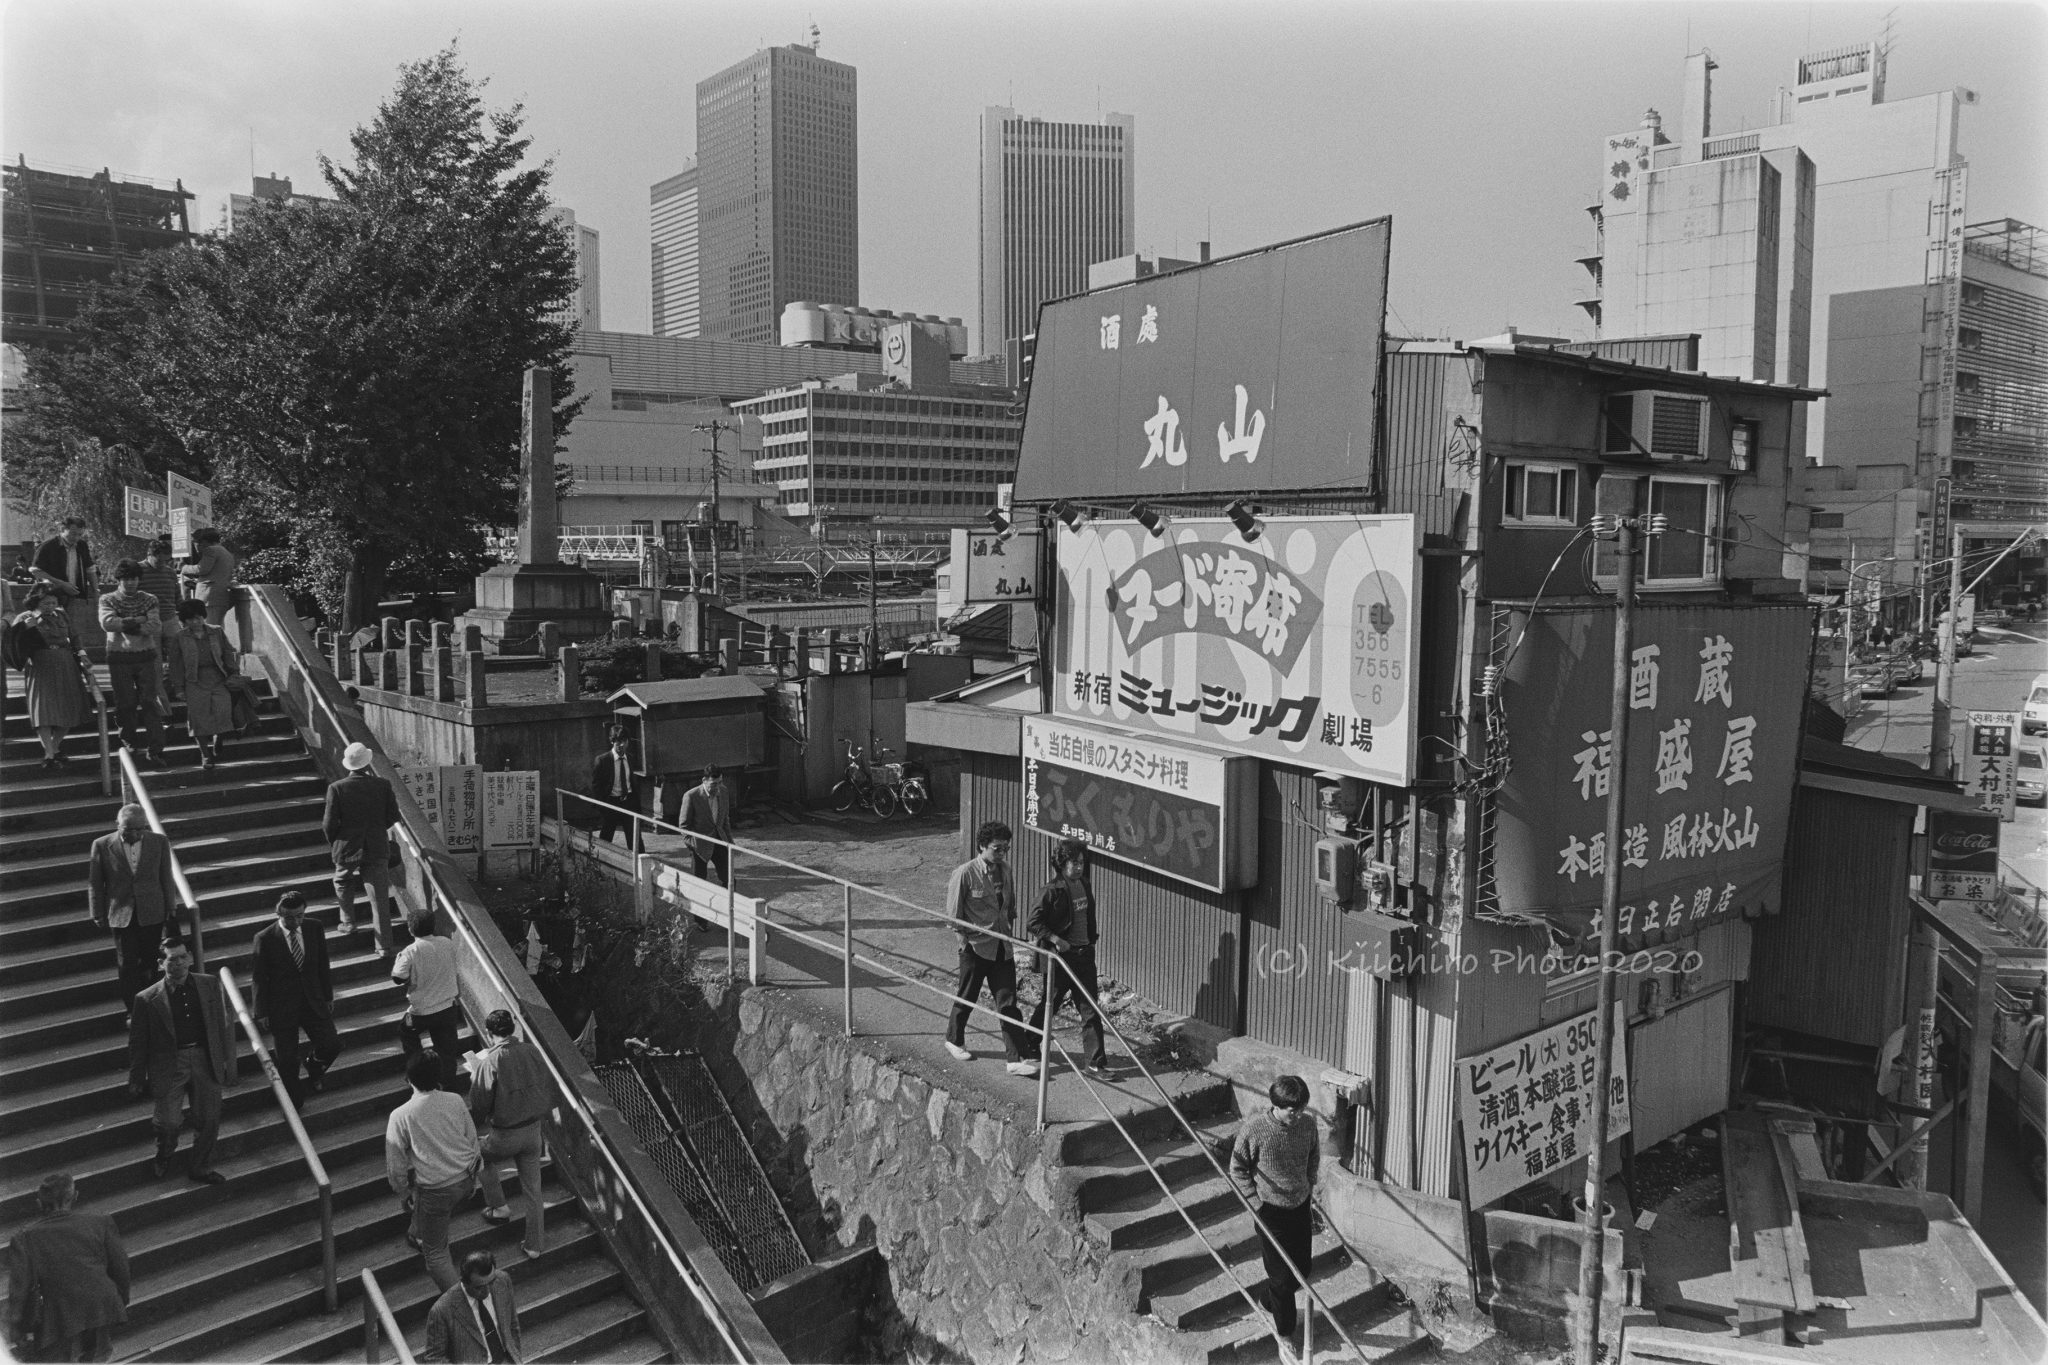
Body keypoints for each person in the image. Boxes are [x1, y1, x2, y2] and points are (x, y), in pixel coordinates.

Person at [128, 939, 238, 1184]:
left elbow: (221, 1023)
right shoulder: (146, 999)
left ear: (189, 957)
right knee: (167, 1122)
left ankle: (201, 1167)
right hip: (169, 1063)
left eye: (182, 957)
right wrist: (136, 1078)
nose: (178, 963)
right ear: (160, 963)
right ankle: (165, 1153)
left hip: (204, 1058)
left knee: (209, 1120)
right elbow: (138, 1041)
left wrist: (228, 1062)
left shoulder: (209, 984)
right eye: (171, 959)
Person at [1228, 1075, 1321, 1346]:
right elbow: (1237, 1168)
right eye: (1293, 1110)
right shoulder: (1255, 1130)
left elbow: (1314, 1156)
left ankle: (1269, 1300)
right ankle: (1285, 1334)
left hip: (1300, 1206)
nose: (1299, 1114)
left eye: (1302, 1108)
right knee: (1281, 1278)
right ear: (1277, 1106)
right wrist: (1255, 1204)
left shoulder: (1308, 1125)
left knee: (1302, 1270)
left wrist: (1309, 1183)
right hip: (1270, 1212)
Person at [941, 821, 1037, 1077]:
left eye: (1006, 847)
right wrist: (966, 939)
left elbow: (1010, 905)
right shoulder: (964, 873)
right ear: (982, 846)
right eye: (997, 848)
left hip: (1001, 946)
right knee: (968, 995)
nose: (1002, 852)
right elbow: (953, 917)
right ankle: (954, 1039)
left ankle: (1015, 1058)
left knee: (1008, 1000)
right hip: (975, 946)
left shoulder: (1005, 869)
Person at [5, 1173, 130, 1363]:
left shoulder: (24, 1238)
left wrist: (17, 1327)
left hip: (57, 1317)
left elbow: (19, 1288)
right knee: (97, 1357)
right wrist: (120, 1299)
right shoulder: (100, 1223)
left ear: (39, 1203)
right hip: (99, 1306)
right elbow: (120, 1268)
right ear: (75, 1196)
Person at [385, 1049, 481, 1293]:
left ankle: (461, 1301)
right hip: (465, 1178)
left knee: (436, 1254)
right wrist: (474, 1177)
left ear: (409, 1079)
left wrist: (402, 1192)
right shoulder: (455, 1100)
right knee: (424, 1194)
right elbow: (472, 1140)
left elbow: (396, 1165)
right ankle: (416, 1230)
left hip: (437, 1191)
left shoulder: (400, 1116)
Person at [1027, 838, 1112, 1077]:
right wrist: (1055, 940)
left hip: (1084, 956)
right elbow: (1032, 922)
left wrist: (1090, 941)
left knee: (1090, 1010)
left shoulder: (1084, 884)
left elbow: (1088, 917)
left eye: (1081, 863)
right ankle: (1031, 1040)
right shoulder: (1051, 890)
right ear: (1062, 864)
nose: (1079, 867)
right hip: (1061, 959)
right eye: (1074, 863)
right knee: (1050, 1003)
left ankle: (1095, 1064)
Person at [470, 1009, 549, 1259]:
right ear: (512, 1029)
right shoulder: (532, 1050)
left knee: (477, 1155)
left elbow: (480, 1102)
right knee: (533, 1189)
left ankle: (498, 1206)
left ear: (488, 1032)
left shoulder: (490, 1061)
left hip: (505, 1134)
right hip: (534, 1131)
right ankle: (535, 1245)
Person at [251, 891, 341, 1107]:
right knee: (287, 1060)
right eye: (290, 917)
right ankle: (294, 1102)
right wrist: (261, 1011)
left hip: (313, 1000)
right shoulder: (264, 938)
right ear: (278, 914)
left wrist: (327, 995)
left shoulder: (314, 927)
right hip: (282, 1007)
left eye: (300, 916)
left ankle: (314, 1066)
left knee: (332, 1044)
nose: (296, 921)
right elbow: (259, 977)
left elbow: (322, 963)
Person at [87, 805, 178, 1017]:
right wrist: (97, 911)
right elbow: (95, 881)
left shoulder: (159, 842)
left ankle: (153, 1004)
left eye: (140, 829)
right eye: (129, 830)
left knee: (150, 960)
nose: (135, 834)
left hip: (152, 911)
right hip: (121, 913)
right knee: (126, 963)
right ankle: (133, 1009)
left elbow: (166, 875)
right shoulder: (101, 845)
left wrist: (171, 906)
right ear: (117, 825)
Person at [324, 741, 401, 950]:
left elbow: (329, 824)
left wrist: (338, 842)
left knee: (342, 880)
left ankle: (348, 922)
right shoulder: (382, 785)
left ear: (348, 765)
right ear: (367, 764)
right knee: (380, 898)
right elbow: (394, 816)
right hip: (376, 846)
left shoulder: (336, 788)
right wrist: (376, 829)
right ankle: (384, 945)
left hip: (348, 847)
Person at [11, 586, 92, 769]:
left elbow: (75, 636)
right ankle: (49, 752)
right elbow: (13, 643)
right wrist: (26, 629)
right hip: (40, 665)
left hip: (65, 663)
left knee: (70, 707)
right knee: (43, 710)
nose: (50, 606)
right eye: (46, 603)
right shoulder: (25, 618)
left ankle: (55, 748)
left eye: (53, 603)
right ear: (36, 602)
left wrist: (82, 654)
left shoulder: (62, 616)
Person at [99, 559, 166, 766]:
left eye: (135, 578)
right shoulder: (107, 599)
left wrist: (124, 622)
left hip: (146, 656)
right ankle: (129, 741)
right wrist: (138, 620)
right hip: (119, 657)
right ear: (119, 579)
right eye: (127, 579)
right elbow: (107, 623)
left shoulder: (150, 599)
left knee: (149, 701)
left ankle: (156, 748)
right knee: (125, 702)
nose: (131, 583)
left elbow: (155, 625)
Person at [164, 599, 240, 769]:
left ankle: (218, 737)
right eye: (190, 619)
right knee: (198, 719)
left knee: (223, 711)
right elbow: (175, 664)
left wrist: (234, 673)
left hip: (218, 677)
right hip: (194, 680)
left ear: (203, 617)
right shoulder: (180, 637)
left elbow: (228, 653)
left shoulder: (216, 632)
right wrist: (179, 688)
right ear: (185, 621)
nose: (195, 622)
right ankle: (205, 754)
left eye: (198, 618)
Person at [394, 906, 463, 1090]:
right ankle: (446, 1085)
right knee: (447, 1051)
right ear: (433, 926)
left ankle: (416, 1072)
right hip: (448, 1007)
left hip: (421, 1012)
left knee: (406, 1032)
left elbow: (398, 977)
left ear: (410, 929)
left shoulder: (411, 951)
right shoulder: (447, 943)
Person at [422, 1249, 522, 1363]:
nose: (487, 1291)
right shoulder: (441, 1310)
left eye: (491, 1282)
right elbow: (434, 1359)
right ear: (464, 1281)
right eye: (479, 1287)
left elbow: (513, 1325)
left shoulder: (503, 1280)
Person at [135, 539, 183, 712]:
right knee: (154, 667)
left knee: (179, 657)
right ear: (150, 554)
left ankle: (176, 691)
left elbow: (177, 595)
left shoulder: (170, 572)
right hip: (150, 621)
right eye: (160, 560)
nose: (163, 564)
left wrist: (183, 613)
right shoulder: (137, 570)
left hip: (170, 619)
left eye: (167, 560)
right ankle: (163, 710)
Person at [585, 729, 641, 846]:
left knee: (635, 840)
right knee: (606, 838)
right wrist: (602, 807)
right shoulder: (602, 760)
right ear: (612, 742)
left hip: (628, 803)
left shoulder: (630, 759)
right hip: (610, 804)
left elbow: (633, 782)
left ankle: (640, 861)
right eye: (618, 742)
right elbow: (596, 786)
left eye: (624, 741)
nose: (621, 745)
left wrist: (635, 804)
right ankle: (600, 861)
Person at [679, 764, 733, 883]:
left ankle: (728, 901)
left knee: (729, 880)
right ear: (704, 780)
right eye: (714, 784)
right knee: (699, 882)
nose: (718, 788)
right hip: (700, 845)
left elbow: (725, 821)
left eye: (720, 782)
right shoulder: (691, 796)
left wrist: (730, 843)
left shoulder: (723, 791)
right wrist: (692, 844)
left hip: (719, 840)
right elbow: (684, 825)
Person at [179, 526, 237, 634]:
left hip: (209, 596)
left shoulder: (211, 550)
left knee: (209, 630)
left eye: (199, 542)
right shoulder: (227, 553)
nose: (199, 546)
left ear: (205, 541)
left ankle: (214, 650)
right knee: (217, 628)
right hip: (221, 596)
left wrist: (184, 568)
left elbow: (202, 569)